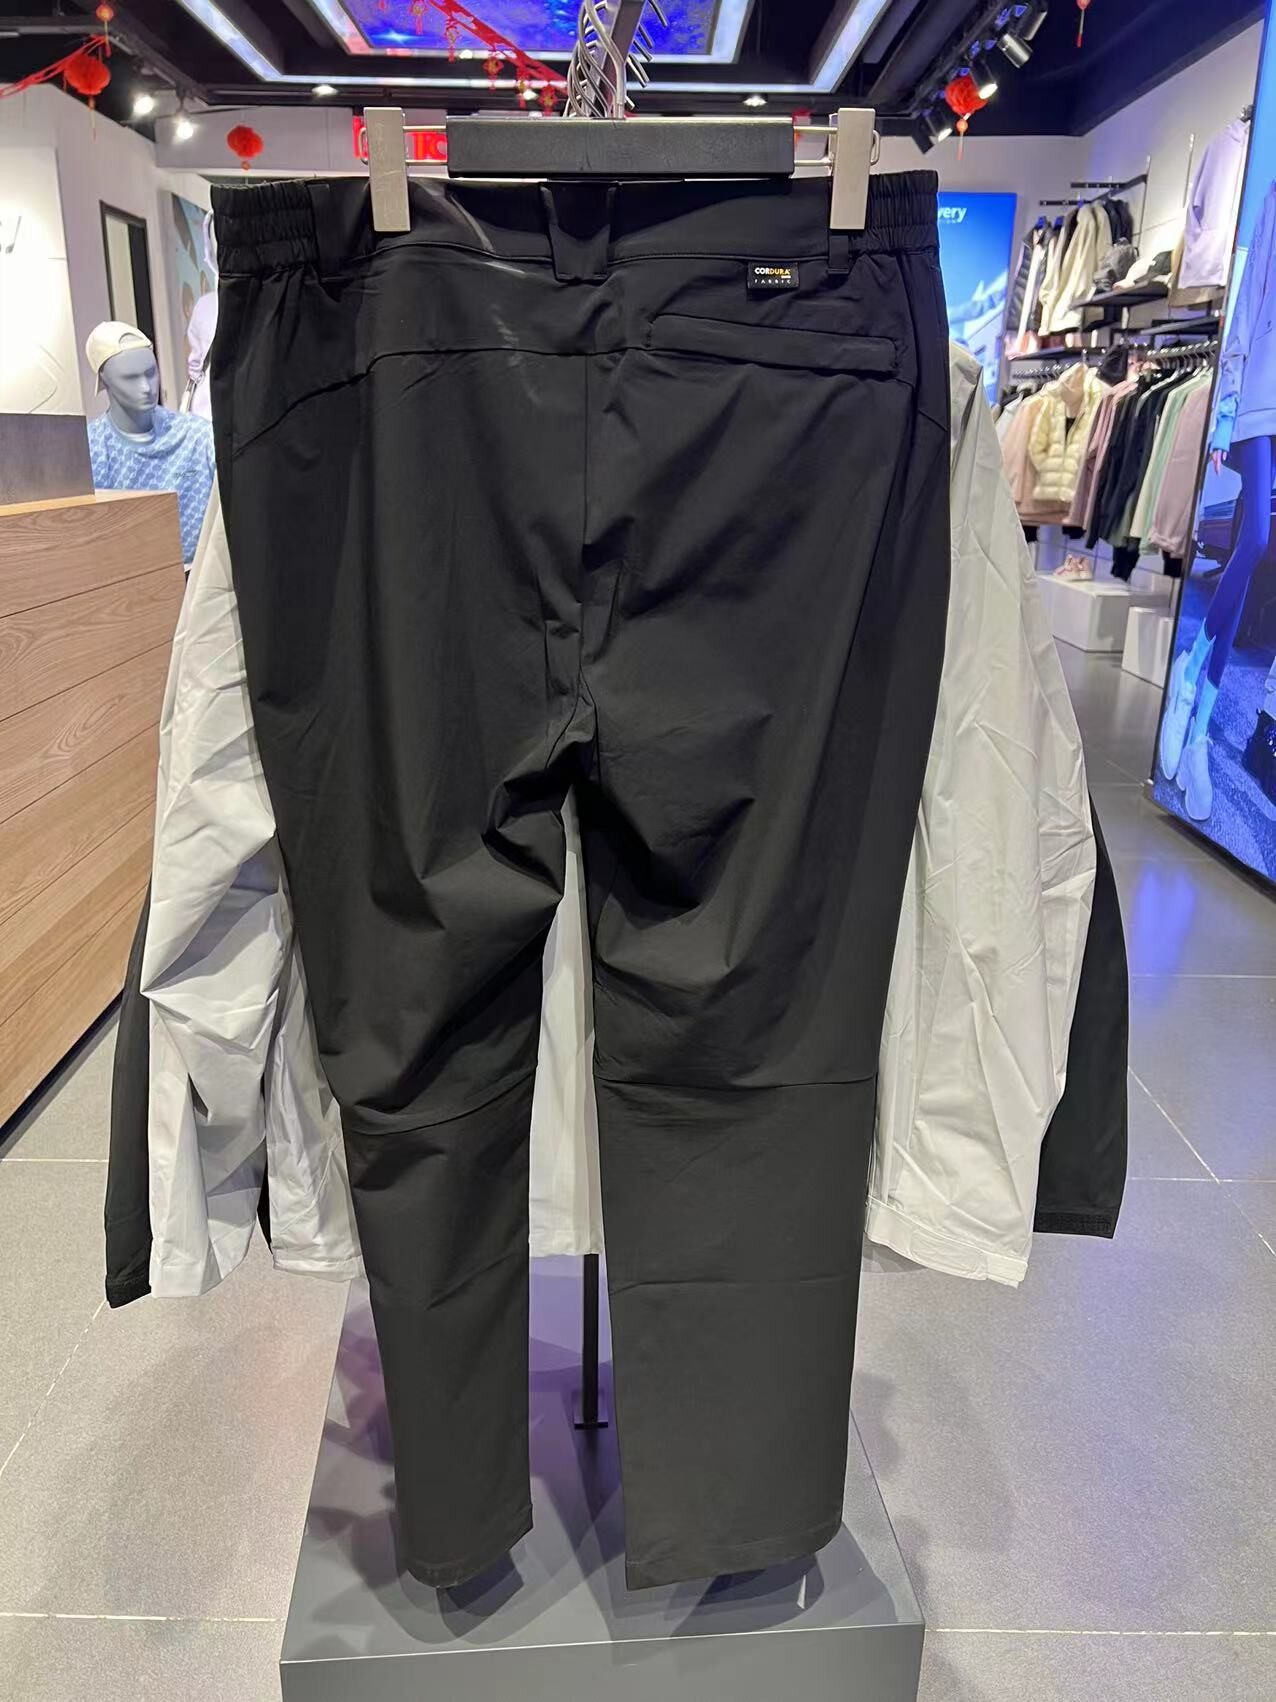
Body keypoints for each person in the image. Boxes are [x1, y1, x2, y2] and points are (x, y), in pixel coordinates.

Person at [85, 320, 215, 566]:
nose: (146, 387)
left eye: (150, 373)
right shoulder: (91, 451)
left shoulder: (197, 437)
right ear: (104, 379)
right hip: (128, 577)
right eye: (130, 378)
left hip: (200, 575)